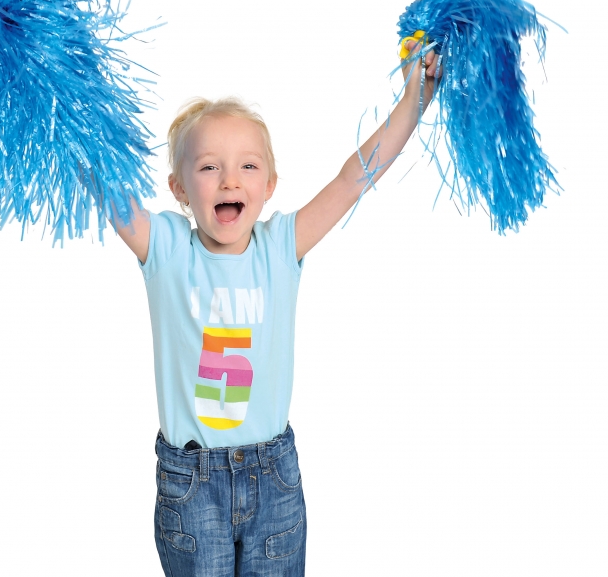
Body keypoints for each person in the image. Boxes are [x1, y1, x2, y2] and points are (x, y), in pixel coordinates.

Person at [115, 40, 439, 576]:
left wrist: (415, 99)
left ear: (269, 185)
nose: (229, 179)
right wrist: (55, 94)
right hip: (191, 486)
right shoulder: (167, 249)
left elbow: (355, 178)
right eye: (209, 167)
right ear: (179, 188)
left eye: (248, 166)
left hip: (274, 479)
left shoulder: (281, 246)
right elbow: (103, 184)